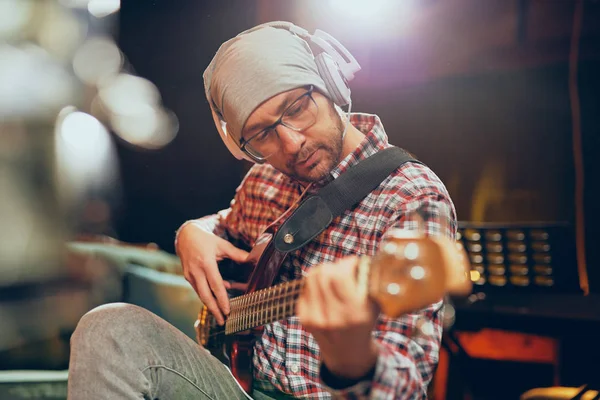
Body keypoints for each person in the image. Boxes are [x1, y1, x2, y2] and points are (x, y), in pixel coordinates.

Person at [67, 21, 457, 399]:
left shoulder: (414, 197)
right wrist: (195, 231)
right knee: (110, 329)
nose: (291, 144)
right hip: (239, 384)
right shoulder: (264, 181)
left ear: (331, 83)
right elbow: (225, 226)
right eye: (263, 134)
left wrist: (353, 360)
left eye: (298, 108)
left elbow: (407, 385)